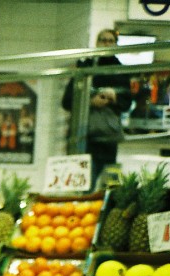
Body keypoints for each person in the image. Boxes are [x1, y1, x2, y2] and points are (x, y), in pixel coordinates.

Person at [62, 28, 133, 188]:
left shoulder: (121, 71)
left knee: (110, 188)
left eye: (110, 41)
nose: (106, 43)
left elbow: (127, 103)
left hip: (109, 141)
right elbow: (66, 101)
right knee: (81, 187)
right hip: (83, 139)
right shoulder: (85, 67)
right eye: (103, 40)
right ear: (96, 43)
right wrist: (90, 101)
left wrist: (114, 96)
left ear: (116, 44)